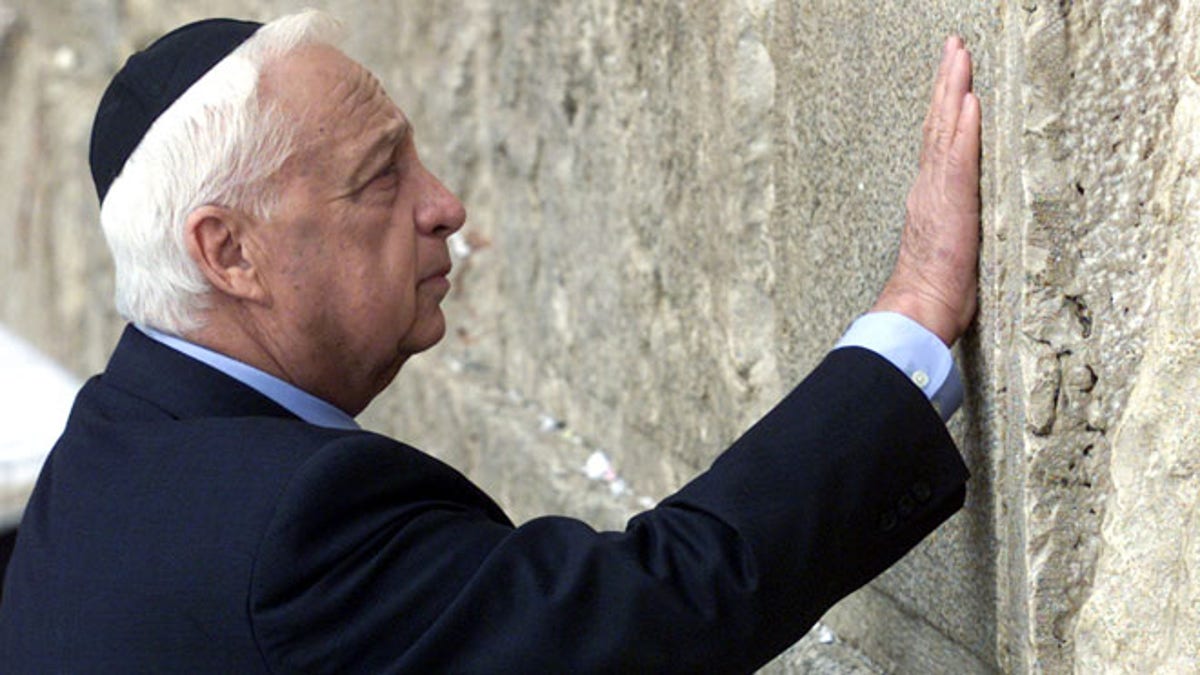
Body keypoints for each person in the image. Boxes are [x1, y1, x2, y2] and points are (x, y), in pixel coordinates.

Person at [0, 10, 980, 673]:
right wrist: (913, 317)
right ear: (230, 251)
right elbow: (654, 613)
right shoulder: (291, 525)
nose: (445, 206)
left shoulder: (103, 455)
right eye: (381, 177)